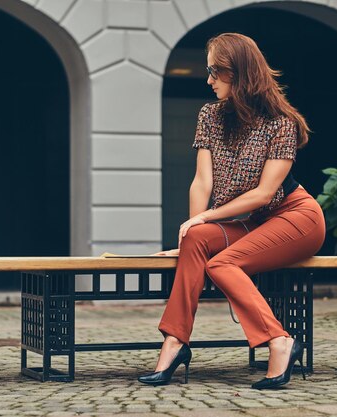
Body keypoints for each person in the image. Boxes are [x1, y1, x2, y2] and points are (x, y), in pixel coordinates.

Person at [138, 33, 325, 390]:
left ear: (238, 73)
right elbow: (201, 182)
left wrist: (206, 218)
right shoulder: (210, 115)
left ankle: (279, 340)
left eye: (214, 71)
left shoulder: (281, 123)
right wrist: (192, 231)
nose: (208, 80)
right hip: (252, 223)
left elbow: (264, 194)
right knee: (196, 239)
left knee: (222, 263)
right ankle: (175, 342)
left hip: (295, 218)